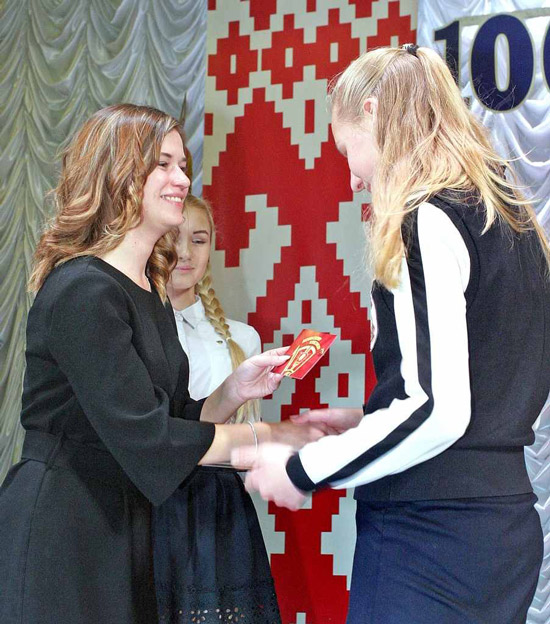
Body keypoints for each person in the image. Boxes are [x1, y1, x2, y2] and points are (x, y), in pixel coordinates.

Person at [239, 45, 550, 623]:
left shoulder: (423, 218)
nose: (353, 180)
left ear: (375, 113)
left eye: (346, 150)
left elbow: (436, 412)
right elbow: (486, 381)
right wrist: (371, 417)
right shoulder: (512, 218)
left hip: (430, 537)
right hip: (501, 529)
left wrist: (302, 469)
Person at [0, 103, 325, 624]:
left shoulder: (148, 291)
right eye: (164, 165)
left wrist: (232, 392)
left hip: (125, 523)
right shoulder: (83, 290)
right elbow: (150, 439)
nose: (182, 179)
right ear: (119, 176)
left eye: (184, 166)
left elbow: (172, 419)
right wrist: (267, 438)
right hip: (65, 528)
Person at [152, 194, 281, 622]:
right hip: (153, 503)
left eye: (199, 239)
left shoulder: (242, 339)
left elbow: (248, 445)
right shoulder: (134, 329)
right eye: (173, 238)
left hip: (220, 510)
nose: (186, 253)